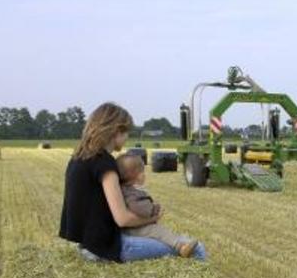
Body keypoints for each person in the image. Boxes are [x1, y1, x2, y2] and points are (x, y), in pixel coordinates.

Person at [59, 102, 206, 262]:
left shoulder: (78, 158)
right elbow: (122, 219)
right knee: (196, 249)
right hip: (107, 248)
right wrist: (152, 218)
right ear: (116, 131)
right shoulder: (104, 164)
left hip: (88, 245)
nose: (127, 137)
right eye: (126, 132)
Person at [116, 153, 199, 257]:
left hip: (135, 226)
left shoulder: (126, 189)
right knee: (159, 231)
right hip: (135, 228)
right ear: (137, 175)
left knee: (160, 231)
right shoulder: (131, 193)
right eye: (143, 172)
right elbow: (141, 209)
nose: (144, 175)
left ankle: (180, 242)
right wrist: (154, 209)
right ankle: (181, 247)